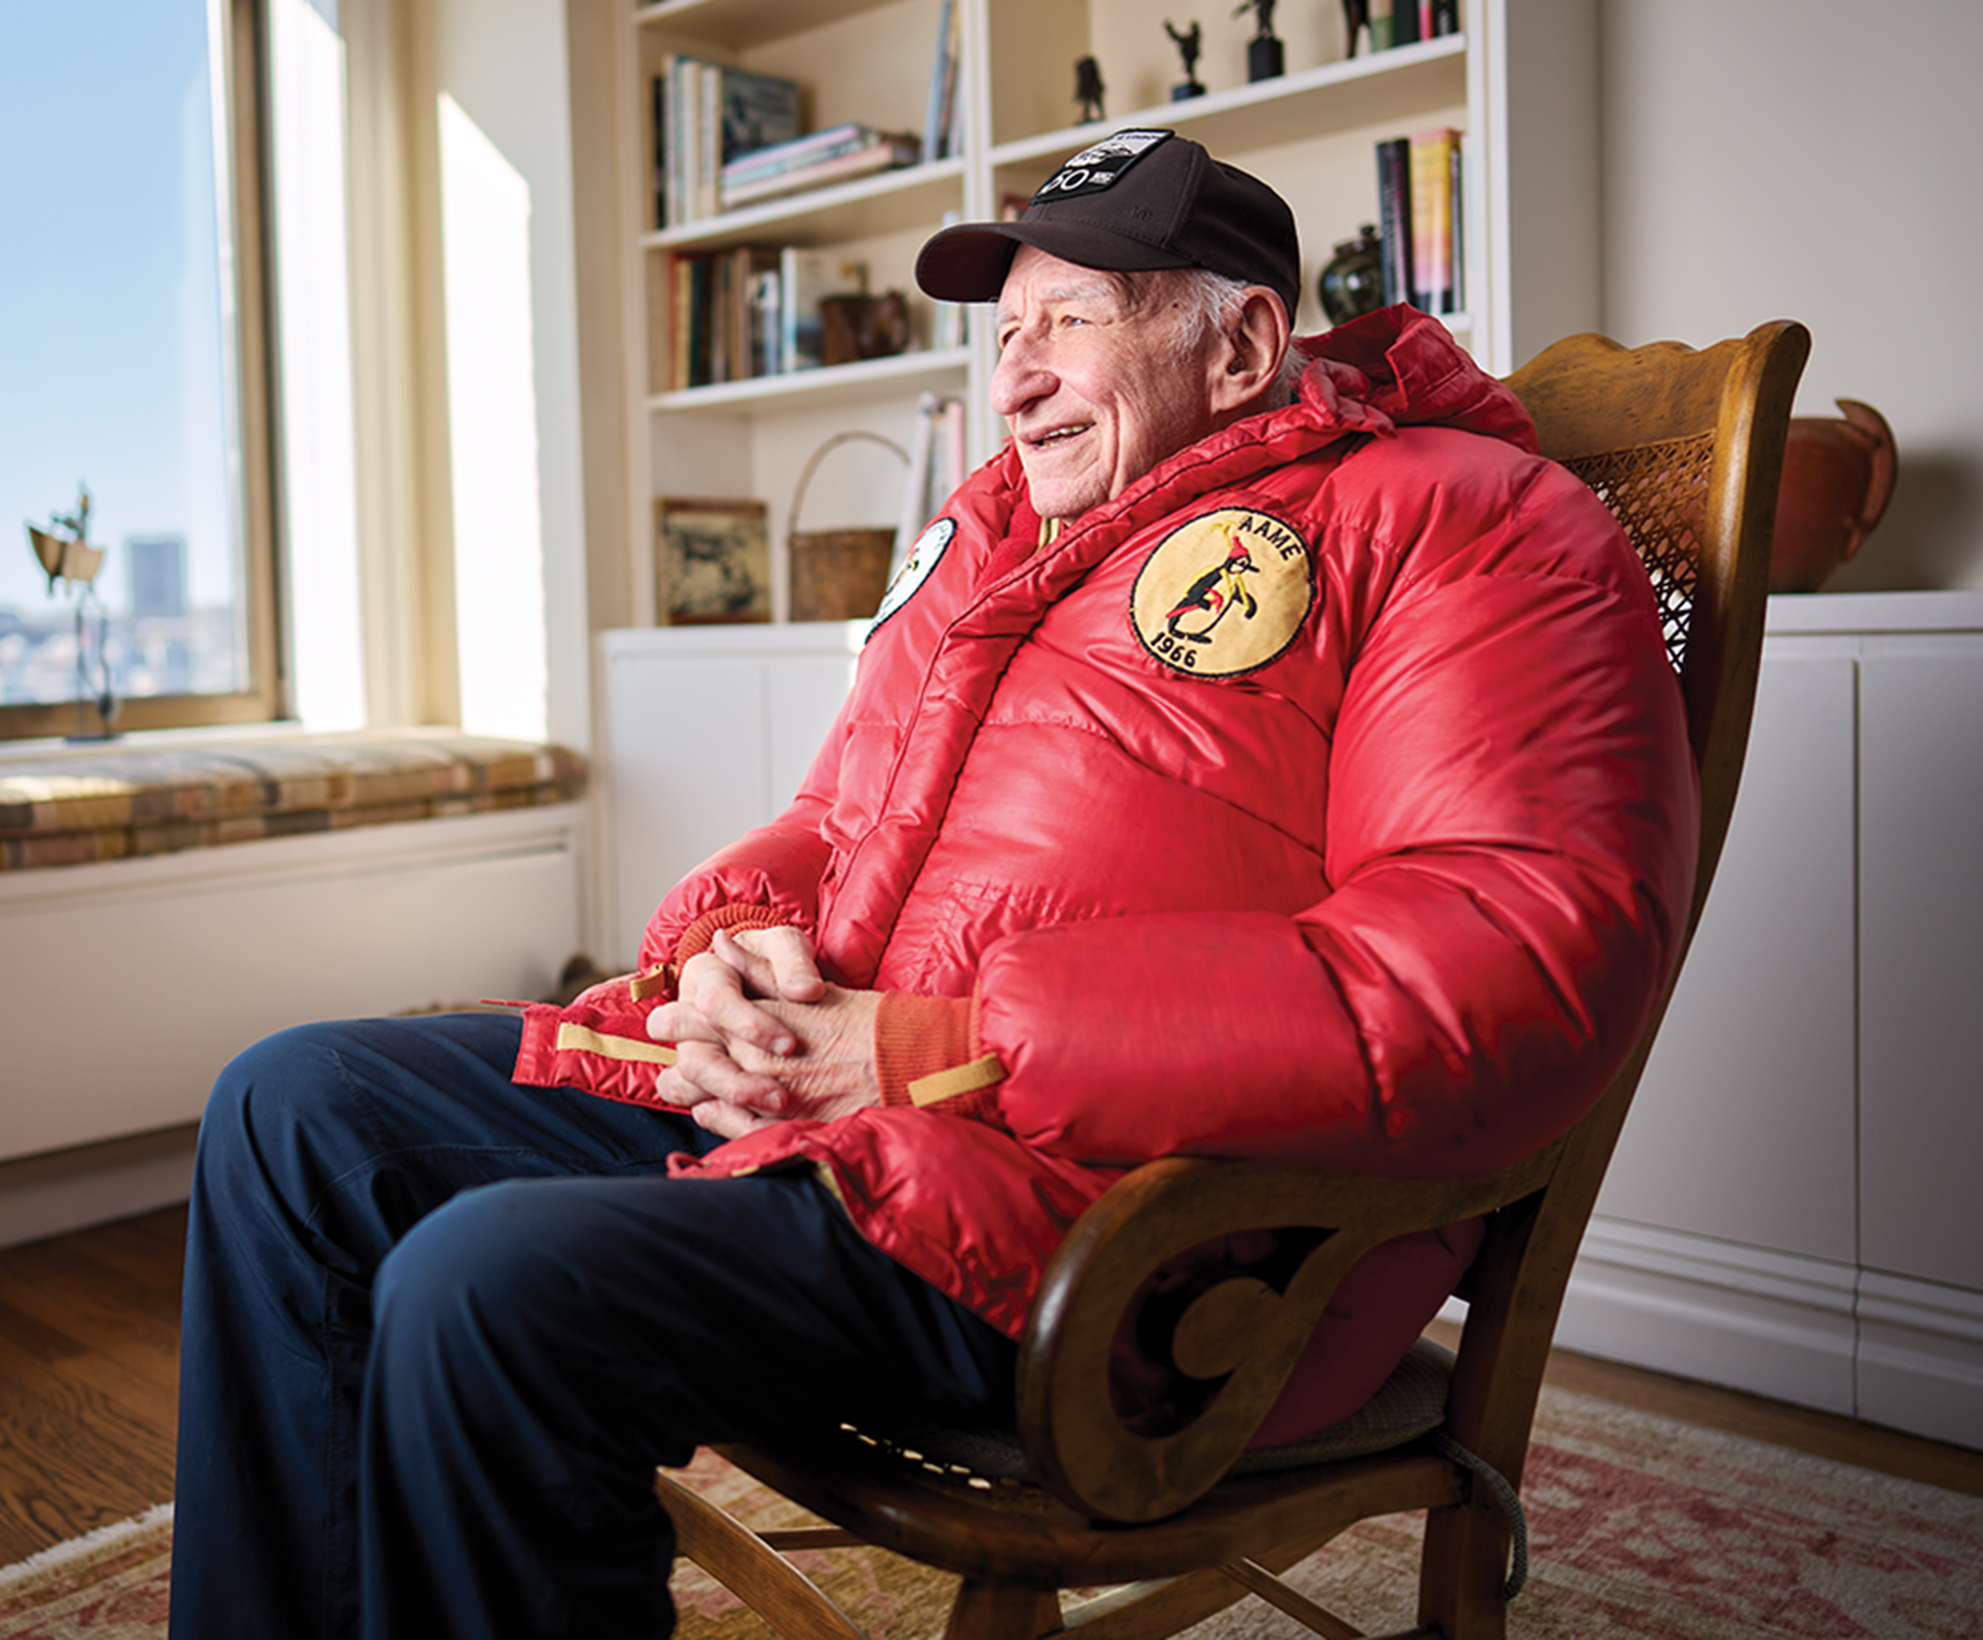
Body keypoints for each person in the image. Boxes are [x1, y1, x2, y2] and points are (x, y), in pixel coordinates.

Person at [171, 129, 1696, 1640]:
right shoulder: (994, 534)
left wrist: (935, 1047)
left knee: (487, 1290)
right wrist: (726, 954)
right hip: (846, 1102)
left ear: (1239, 344)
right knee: (292, 1106)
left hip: (1120, 1214)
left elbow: (1509, 966)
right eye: (1009, 329)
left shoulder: (1471, 521)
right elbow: (836, 815)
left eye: (1071, 325)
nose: (1013, 374)